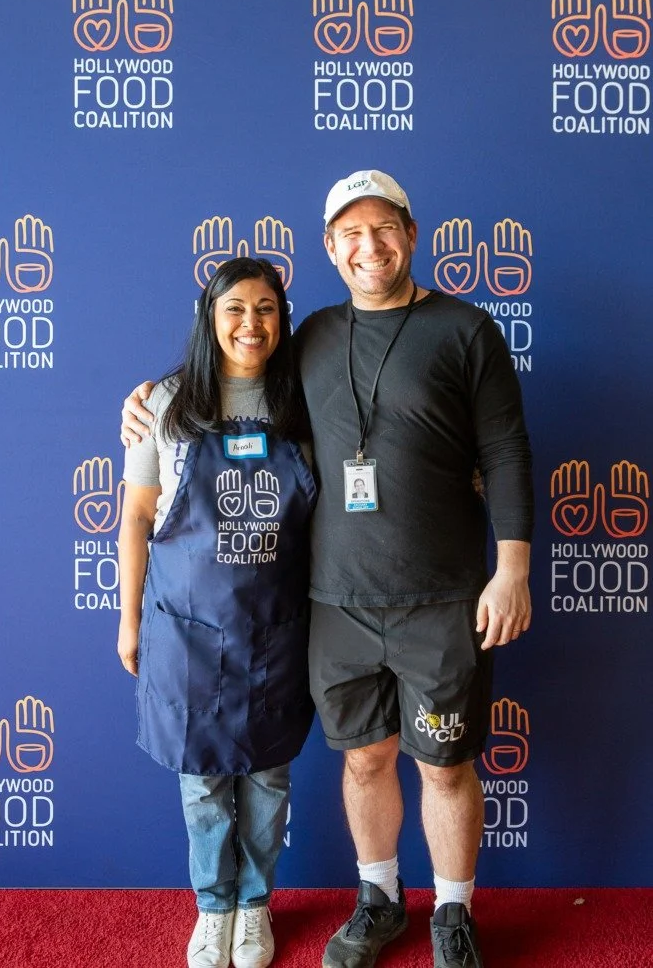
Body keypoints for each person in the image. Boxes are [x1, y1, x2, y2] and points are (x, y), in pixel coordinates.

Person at [121, 171, 533, 968]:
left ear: (411, 235)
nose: (367, 246)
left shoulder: (465, 329)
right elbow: (223, 387)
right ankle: (377, 900)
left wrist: (510, 565)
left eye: (382, 229)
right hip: (335, 605)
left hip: (443, 598)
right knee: (363, 758)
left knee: (445, 767)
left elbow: (506, 452)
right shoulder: (306, 338)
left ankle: (453, 913)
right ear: (329, 248)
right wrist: (144, 401)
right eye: (349, 233)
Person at [117, 256, 315, 968]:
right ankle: (212, 907)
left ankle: (255, 906)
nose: (250, 324)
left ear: (281, 320)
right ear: (209, 316)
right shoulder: (167, 403)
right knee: (202, 780)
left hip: (275, 624)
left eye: (265, 309)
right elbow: (136, 515)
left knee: (267, 776)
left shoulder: (304, 400)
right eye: (234, 308)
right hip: (184, 627)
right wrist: (128, 618)